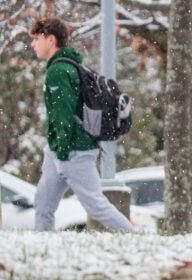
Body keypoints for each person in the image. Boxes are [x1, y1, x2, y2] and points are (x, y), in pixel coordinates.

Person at [29, 16, 134, 233]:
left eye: (37, 38)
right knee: (43, 203)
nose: (33, 44)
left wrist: (63, 150)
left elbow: (63, 116)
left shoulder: (58, 71)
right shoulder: (71, 65)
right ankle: (43, 244)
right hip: (59, 149)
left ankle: (135, 237)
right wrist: (57, 149)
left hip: (73, 150)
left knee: (96, 206)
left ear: (51, 40)